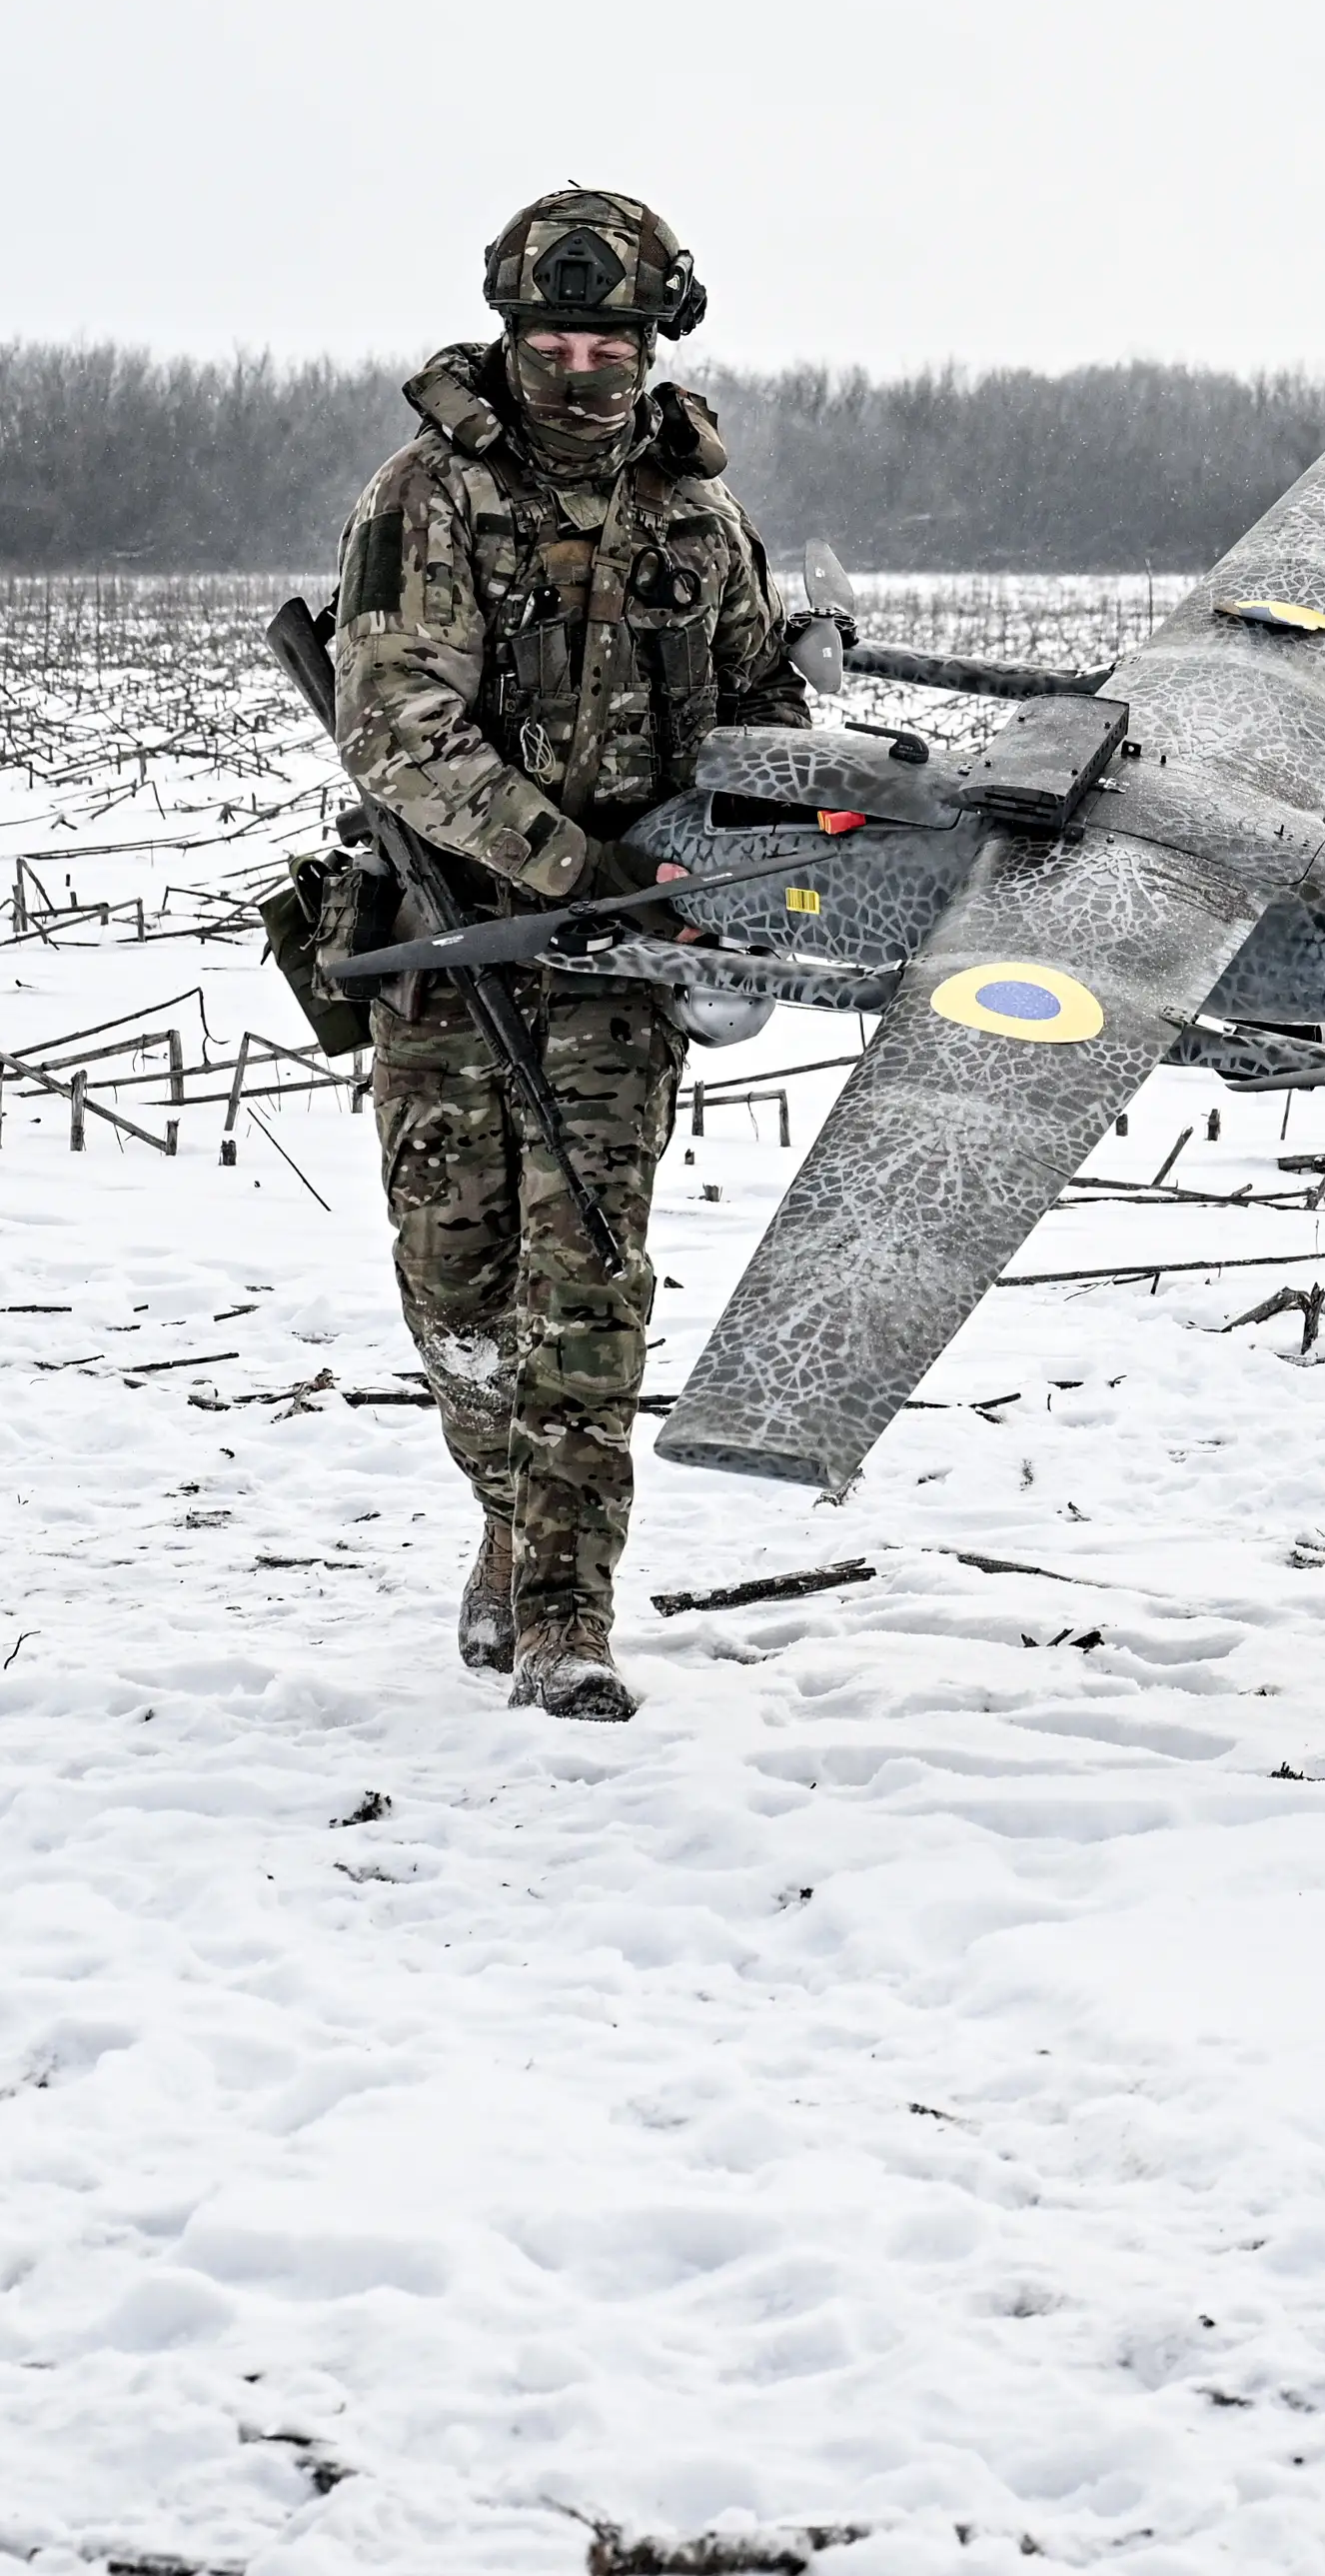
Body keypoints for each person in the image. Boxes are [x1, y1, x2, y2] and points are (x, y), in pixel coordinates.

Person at [324, 189, 807, 1720]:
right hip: (450, 946)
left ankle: (563, 1613)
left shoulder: (699, 517)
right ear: (509, 334)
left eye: (610, 339)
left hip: (621, 971)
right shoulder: (427, 495)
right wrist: (570, 863)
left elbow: (758, 712)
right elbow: (398, 733)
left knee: (586, 1287)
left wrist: (734, 853)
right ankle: (507, 1517)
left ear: (656, 342)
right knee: (455, 1293)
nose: (580, 367)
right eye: (553, 337)